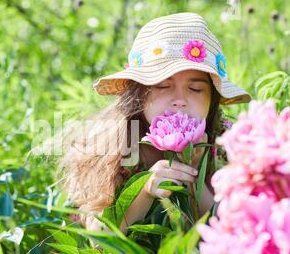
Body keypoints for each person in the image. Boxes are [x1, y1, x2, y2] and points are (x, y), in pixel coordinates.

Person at [56, 12, 251, 236]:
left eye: (196, 89)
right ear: (139, 93)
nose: (180, 100)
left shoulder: (224, 141)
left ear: (213, 101)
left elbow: (231, 232)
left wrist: (193, 176)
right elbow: (99, 240)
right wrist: (145, 191)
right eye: (162, 86)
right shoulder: (117, 145)